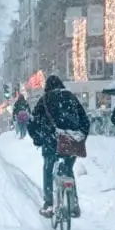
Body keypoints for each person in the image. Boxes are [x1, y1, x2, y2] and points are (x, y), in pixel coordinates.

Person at [28, 75, 90, 218]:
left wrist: (38, 139)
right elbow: (85, 120)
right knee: (67, 169)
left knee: (48, 169)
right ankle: (73, 204)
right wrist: (80, 137)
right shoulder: (71, 97)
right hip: (71, 141)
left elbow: (32, 123)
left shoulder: (44, 100)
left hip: (51, 141)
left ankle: (49, 205)